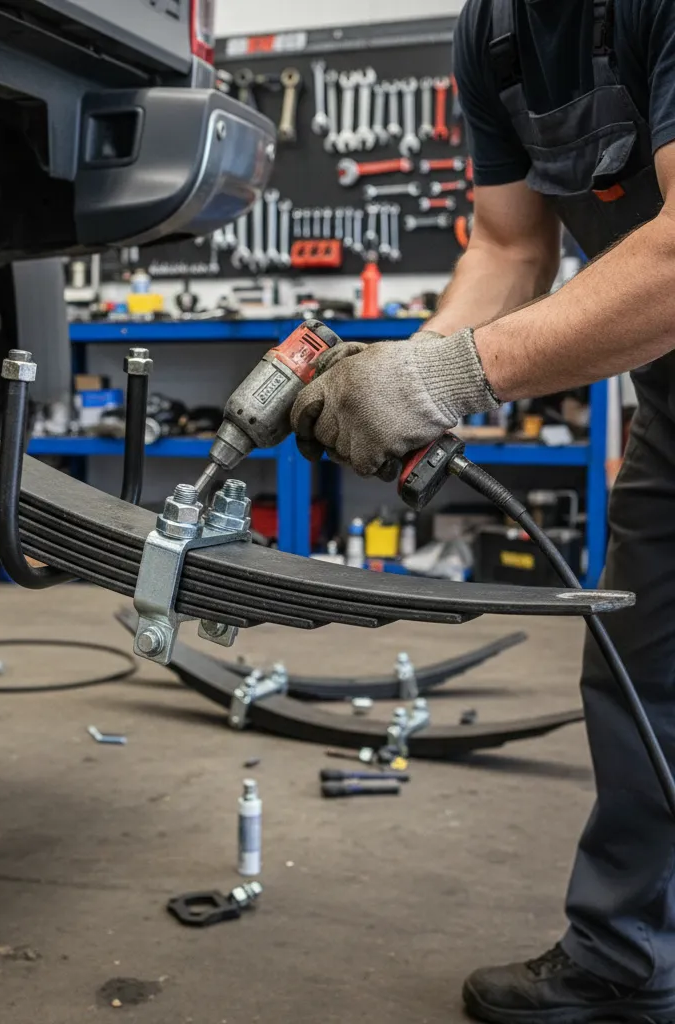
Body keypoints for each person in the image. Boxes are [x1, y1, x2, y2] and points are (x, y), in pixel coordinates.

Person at [291, 1, 675, 1021]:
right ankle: (628, 961)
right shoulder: (493, 29)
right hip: (674, 408)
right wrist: (403, 373)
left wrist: (449, 380)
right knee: (641, 671)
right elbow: (509, 248)